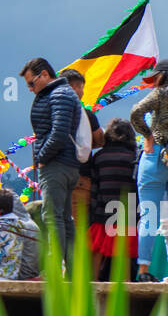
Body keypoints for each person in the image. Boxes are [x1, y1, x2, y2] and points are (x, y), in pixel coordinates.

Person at [19, 57, 81, 270]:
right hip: (68, 164)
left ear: (45, 74)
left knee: (52, 217)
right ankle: (72, 271)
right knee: (64, 218)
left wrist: (42, 158)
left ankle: (55, 269)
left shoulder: (58, 94)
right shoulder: (61, 93)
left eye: (31, 83)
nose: (29, 89)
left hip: (56, 164)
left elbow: (59, 132)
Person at [86, 118, 140, 280]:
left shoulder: (99, 157)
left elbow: (94, 190)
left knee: (96, 251)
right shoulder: (134, 158)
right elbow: (137, 189)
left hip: (102, 213)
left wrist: (93, 214)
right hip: (126, 214)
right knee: (124, 253)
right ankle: (126, 288)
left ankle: (93, 286)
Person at [130, 61, 168, 279]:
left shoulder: (160, 94)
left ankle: (143, 270)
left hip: (154, 154)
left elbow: (136, 111)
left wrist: (147, 135)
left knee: (149, 216)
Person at [62, 69, 104, 225]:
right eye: (80, 87)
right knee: (78, 227)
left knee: (57, 223)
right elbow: (100, 140)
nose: (82, 92)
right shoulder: (86, 115)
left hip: (57, 176)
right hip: (81, 177)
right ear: (75, 88)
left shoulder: (50, 113)